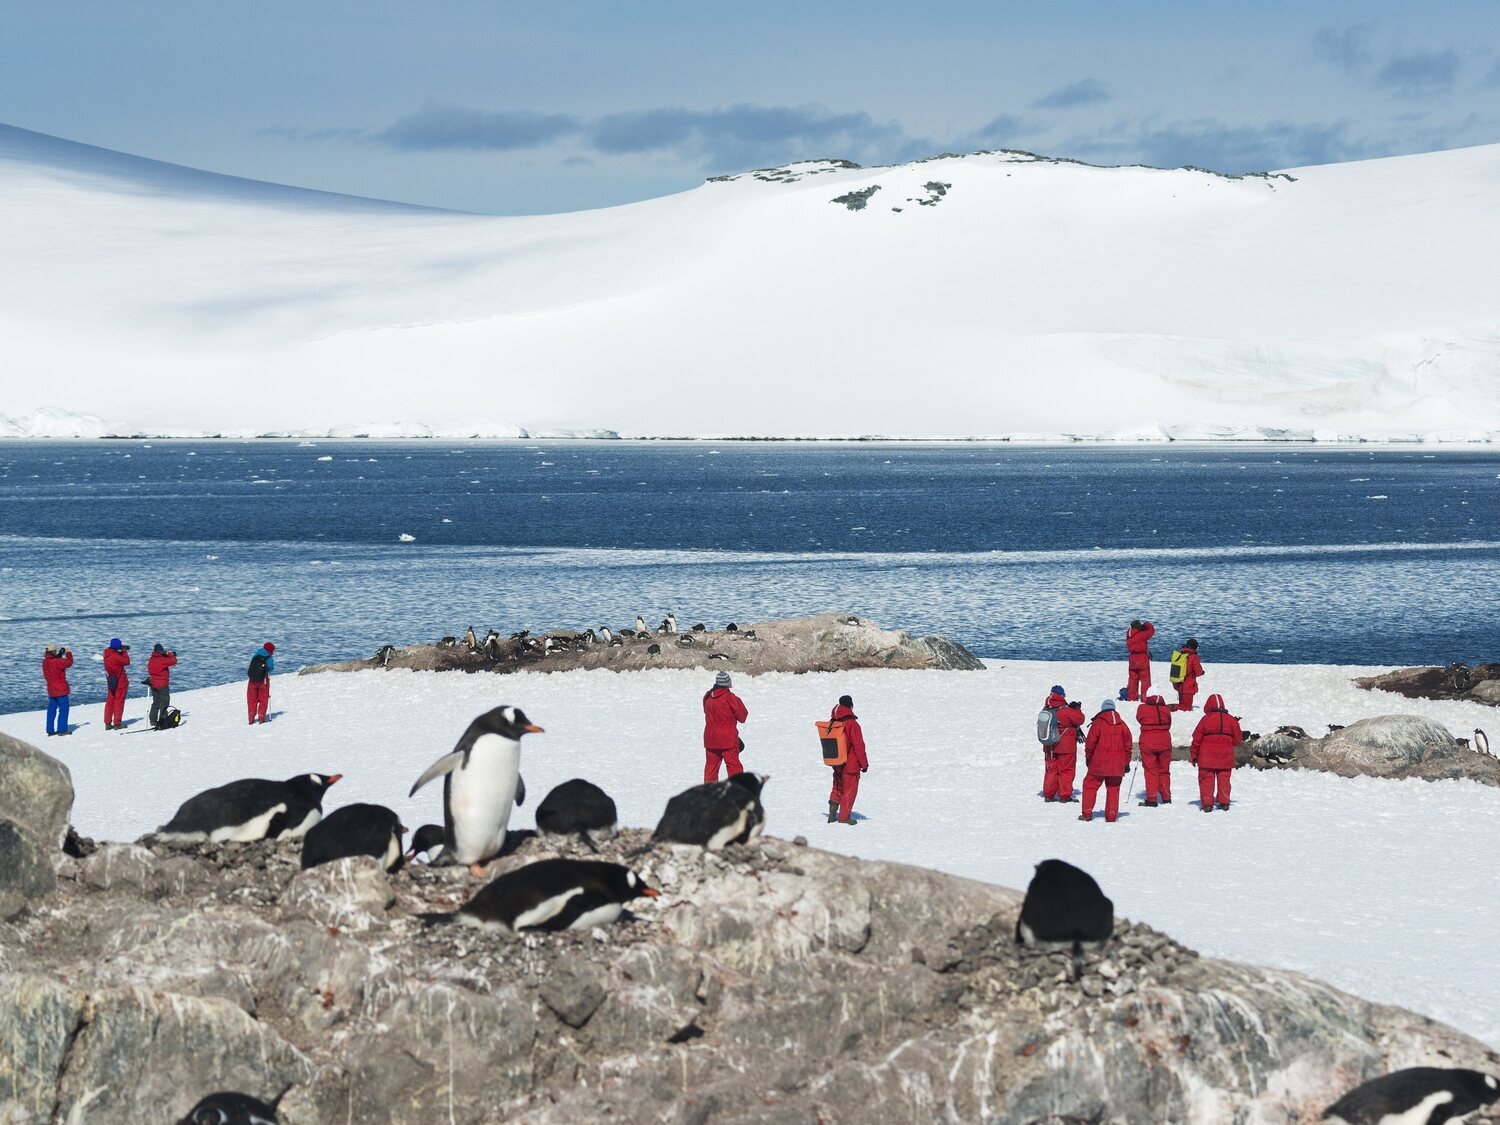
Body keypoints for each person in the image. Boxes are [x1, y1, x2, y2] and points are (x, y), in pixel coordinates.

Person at [1081, 699, 1133, 823]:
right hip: (1117, 765)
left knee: (1090, 786)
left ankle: (1087, 814)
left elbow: (1090, 744)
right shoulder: (1122, 725)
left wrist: (1088, 759)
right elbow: (1128, 746)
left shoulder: (1098, 723)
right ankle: (1111, 816)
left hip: (1098, 764)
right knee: (1113, 789)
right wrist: (1126, 763)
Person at [1190, 693, 1243, 812]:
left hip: (1206, 757)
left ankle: (1207, 804)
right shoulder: (1232, 720)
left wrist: (1194, 755)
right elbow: (1238, 740)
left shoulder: (1205, 719)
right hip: (1225, 756)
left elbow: (1196, 739)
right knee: (1224, 780)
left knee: (1206, 780)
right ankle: (1224, 803)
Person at [825, 694, 869, 825]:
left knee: (837, 787)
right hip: (851, 764)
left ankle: (832, 815)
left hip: (837, 762)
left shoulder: (833, 722)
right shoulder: (852, 724)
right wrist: (864, 764)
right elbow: (858, 745)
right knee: (849, 790)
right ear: (851, 706)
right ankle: (844, 818)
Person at [1039, 685, 1086, 803]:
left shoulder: (1046, 709)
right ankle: (1064, 795)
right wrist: (1077, 709)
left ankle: (1049, 795)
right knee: (1066, 770)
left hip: (1049, 745)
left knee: (1051, 770)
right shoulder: (1066, 711)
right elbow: (1080, 719)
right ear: (1062, 696)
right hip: (1066, 747)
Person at [702, 670, 748, 781]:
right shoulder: (730, 698)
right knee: (733, 766)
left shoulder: (707, 697)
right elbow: (743, 717)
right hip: (728, 739)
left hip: (711, 738)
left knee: (711, 767)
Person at [1136, 693, 1174, 805]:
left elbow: (1139, 718)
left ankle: (1152, 798)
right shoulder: (1166, 709)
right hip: (1164, 742)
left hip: (1148, 743)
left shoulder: (1142, 708)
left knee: (1150, 771)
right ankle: (1166, 797)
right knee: (1164, 770)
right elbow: (1169, 723)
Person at [42, 644, 74, 736]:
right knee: (63, 710)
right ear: (53, 652)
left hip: (51, 690)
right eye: (55, 651)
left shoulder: (45, 662)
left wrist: (59, 654)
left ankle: (50, 730)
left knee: (51, 710)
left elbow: (53, 661)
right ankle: (62, 730)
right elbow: (69, 662)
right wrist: (68, 653)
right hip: (61, 690)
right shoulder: (57, 662)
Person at [147, 643, 178, 728]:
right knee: (164, 701)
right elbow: (174, 661)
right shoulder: (161, 660)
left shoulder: (151, 659)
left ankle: (153, 720)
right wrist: (169, 654)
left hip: (153, 684)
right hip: (162, 685)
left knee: (156, 702)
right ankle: (163, 720)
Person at [102, 638, 130, 730]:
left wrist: (120, 651)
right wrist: (124, 651)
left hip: (111, 681)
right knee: (119, 702)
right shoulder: (115, 656)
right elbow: (127, 661)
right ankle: (117, 723)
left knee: (110, 702)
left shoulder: (107, 655)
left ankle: (107, 723)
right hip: (120, 682)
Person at [1125, 619, 1155, 701]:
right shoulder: (1142, 634)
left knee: (1132, 680)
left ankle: (1131, 698)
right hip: (1142, 658)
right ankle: (1145, 698)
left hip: (1132, 659)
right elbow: (1152, 630)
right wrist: (1146, 623)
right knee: (1145, 680)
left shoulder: (1129, 635)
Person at [247, 641, 276, 725]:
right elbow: (271, 668)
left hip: (252, 680)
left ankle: (251, 718)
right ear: (270, 650)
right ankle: (261, 718)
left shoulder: (256, 654)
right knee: (263, 699)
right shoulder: (269, 657)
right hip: (263, 681)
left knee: (251, 700)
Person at [1172, 638, 1204, 712]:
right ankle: (1167, 708)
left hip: (1179, 684)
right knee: (1186, 708)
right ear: (1195, 647)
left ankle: (1169, 708)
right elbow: (1198, 672)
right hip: (1188, 685)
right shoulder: (1193, 657)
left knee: (1182, 706)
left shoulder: (1181, 654)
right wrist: (1202, 672)